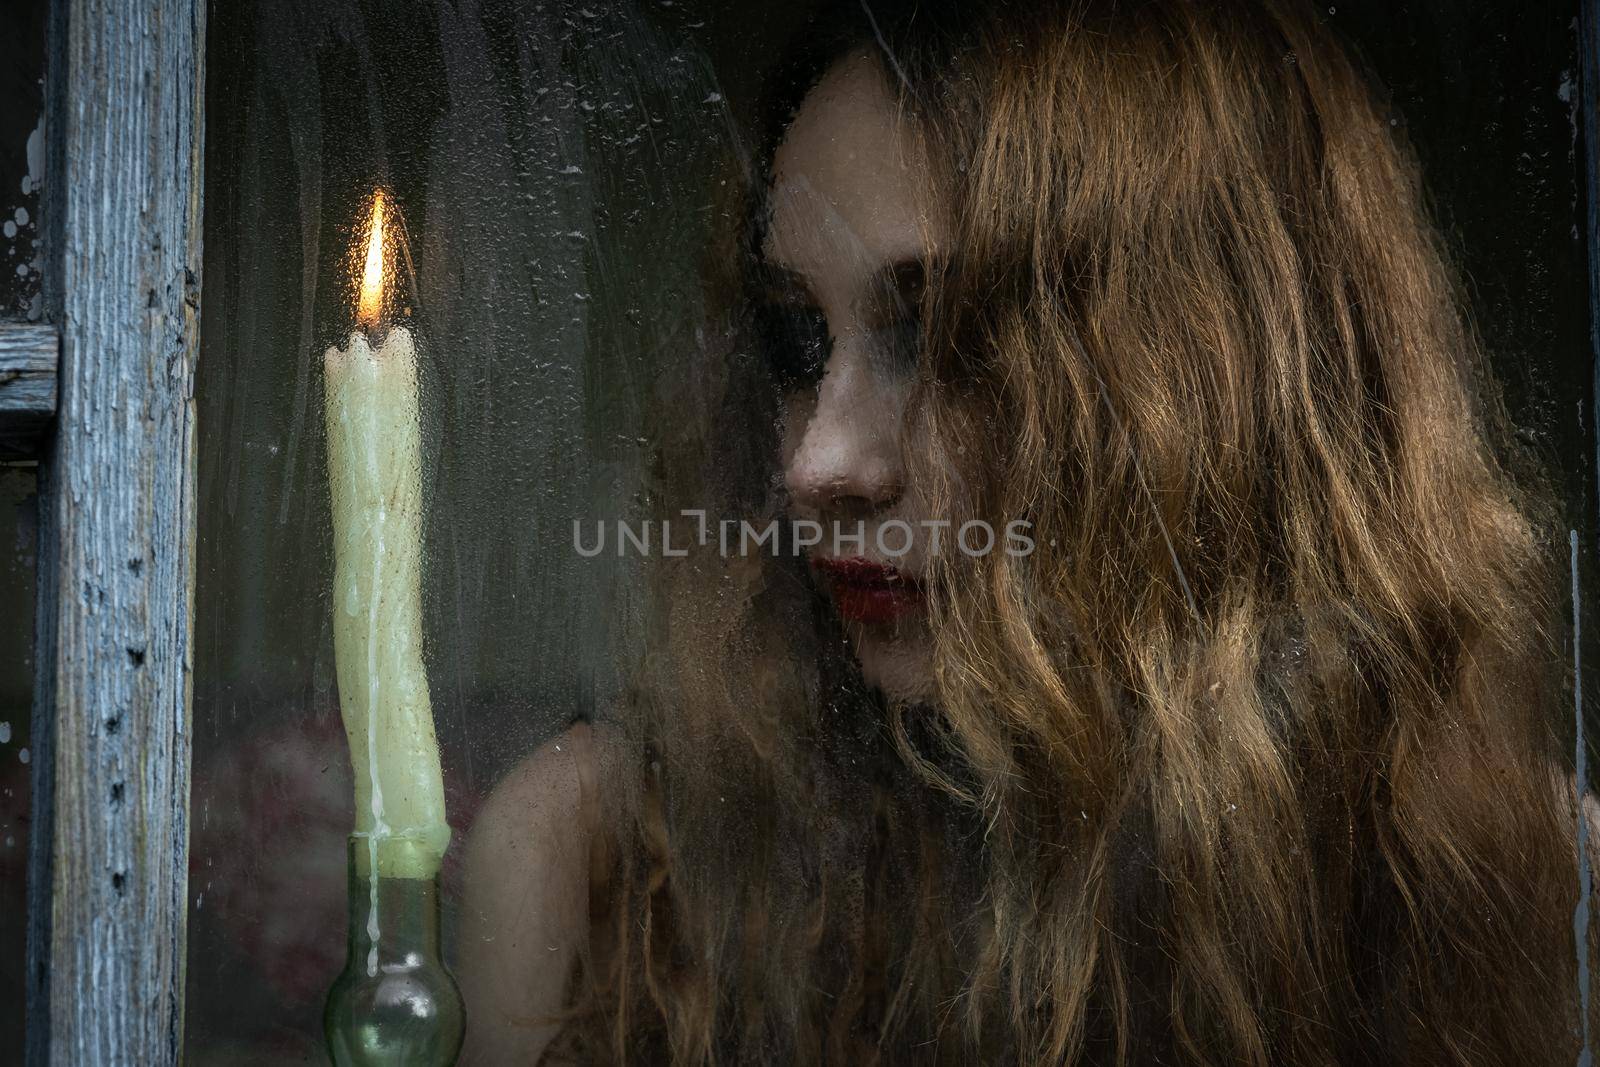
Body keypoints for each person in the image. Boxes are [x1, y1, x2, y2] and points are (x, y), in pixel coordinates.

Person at [462, 1, 1593, 1062]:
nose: (816, 465)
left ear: (1204, 388)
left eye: (944, 340)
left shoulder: (1523, 881)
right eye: (799, 341)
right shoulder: (594, 862)